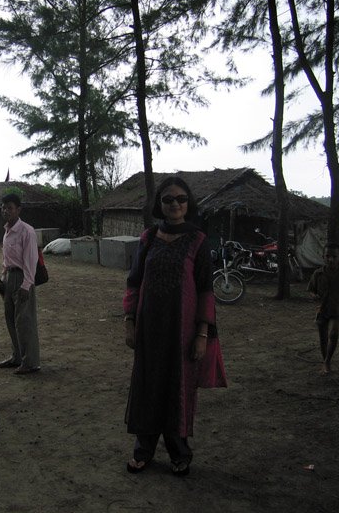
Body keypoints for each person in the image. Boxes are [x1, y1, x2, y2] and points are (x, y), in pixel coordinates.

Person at [123, 176, 226, 477]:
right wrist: (129, 321)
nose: (175, 204)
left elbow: (205, 290)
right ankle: (143, 451)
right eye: (168, 199)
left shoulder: (198, 240)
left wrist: (202, 334)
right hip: (149, 329)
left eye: (181, 199)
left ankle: (179, 452)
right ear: (160, 204)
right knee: (147, 387)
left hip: (182, 332)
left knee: (177, 389)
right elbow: (134, 282)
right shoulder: (148, 238)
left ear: (188, 202)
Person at [0, 193, 41, 374]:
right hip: (9, 278)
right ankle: (17, 356)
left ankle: (30, 362)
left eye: (10, 208)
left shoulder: (26, 231)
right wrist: (2, 279)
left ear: (18, 210)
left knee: (24, 321)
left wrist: (26, 285)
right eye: (3, 208)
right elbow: (6, 259)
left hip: (22, 278)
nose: (6, 211)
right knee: (11, 319)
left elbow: (31, 260)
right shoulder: (7, 231)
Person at [307, 243, 339, 375]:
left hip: (337, 311)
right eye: (327, 256)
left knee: (333, 334)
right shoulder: (318, 274)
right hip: (322, 311)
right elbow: (311, 290)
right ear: (323, 257)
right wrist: (314, 296)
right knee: (323, 338)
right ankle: (325, 360)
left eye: (334, 256)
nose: (331, 259)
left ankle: (327, 361)